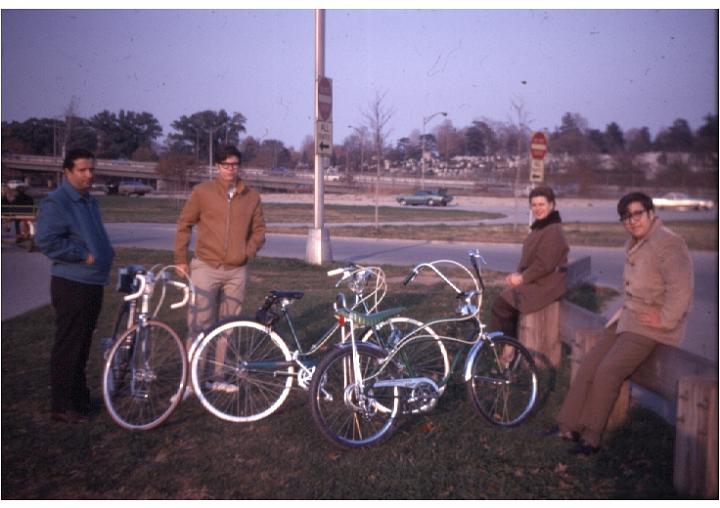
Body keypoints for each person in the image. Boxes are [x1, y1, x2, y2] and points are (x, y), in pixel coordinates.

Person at [553, 192, 693, 455]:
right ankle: (567, 426)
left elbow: (681, 291)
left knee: (608, 371)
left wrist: (663, 319)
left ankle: (591, 438)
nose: (632, 221)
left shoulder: (669, 243)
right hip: (627, 320)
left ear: (651, 213)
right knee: (589, 366)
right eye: (626, 217)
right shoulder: (635, 242)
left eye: (637, 214)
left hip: (651, 326)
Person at [174, 145, 266, 392]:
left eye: (234, 165)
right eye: (225, 165)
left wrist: (248, 251)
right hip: (205, 266)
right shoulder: (202, 192)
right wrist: (180, 259)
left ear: (240, 167)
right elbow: (185, 224)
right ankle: (191, 382)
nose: (230, 169)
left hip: (237, 270)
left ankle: (218, 376)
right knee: (199, 324)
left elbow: (259, 230)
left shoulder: (251, 196)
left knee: (228, 325)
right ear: (217, 167)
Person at [35, 149, 115, 423]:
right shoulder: (57, 202)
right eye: (82, 170)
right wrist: (84, 255)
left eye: (91, 169)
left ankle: (79, 399)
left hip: (92, 282)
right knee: (69, 344)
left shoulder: (89, 201)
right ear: (67, 172)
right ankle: (63, 406)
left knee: (82, 343)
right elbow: (47, 242)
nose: (89, 175)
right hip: (72, 283)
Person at [489, 185, 569, 338]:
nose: (537, 209)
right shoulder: (542, 227)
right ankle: (510, 344)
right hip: (542, 281)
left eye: (542, 204)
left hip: (547, 285)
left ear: (551, 205)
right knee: (507, 299)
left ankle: (502, 347)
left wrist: (521, 278)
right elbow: (531, 259)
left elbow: (543, 264)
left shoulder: (552, 230)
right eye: (534, 205)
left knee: (501, 305)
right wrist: (518, 274)